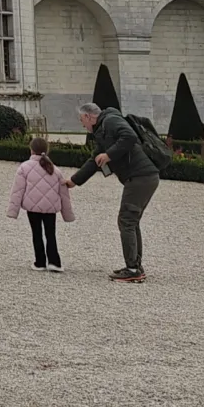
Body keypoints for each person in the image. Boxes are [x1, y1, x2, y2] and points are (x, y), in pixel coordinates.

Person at [68, 100, 159, 282]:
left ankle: (133, 270)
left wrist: (109, 155)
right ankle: (135, 265)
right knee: (131, 221)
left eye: (81, 120)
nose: (82, 124)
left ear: (88, 116)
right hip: (141, 177)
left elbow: (129, 136)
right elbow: (95, 160)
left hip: (140, 177)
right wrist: (73, 181)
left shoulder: (110, 121)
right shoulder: (103, 130)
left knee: (126, 220)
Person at [5, 138, 75, 270]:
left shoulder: (24, 167)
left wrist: (13, 211)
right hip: (51, 208)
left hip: (32, 207)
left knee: (36, 233)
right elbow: (64, 194)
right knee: (50, 234)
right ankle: (54, 262)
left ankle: (40, 262)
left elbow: (17, 190)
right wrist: (68, 214)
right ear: (47, 150)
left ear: (31, 150)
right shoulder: (55, 170)